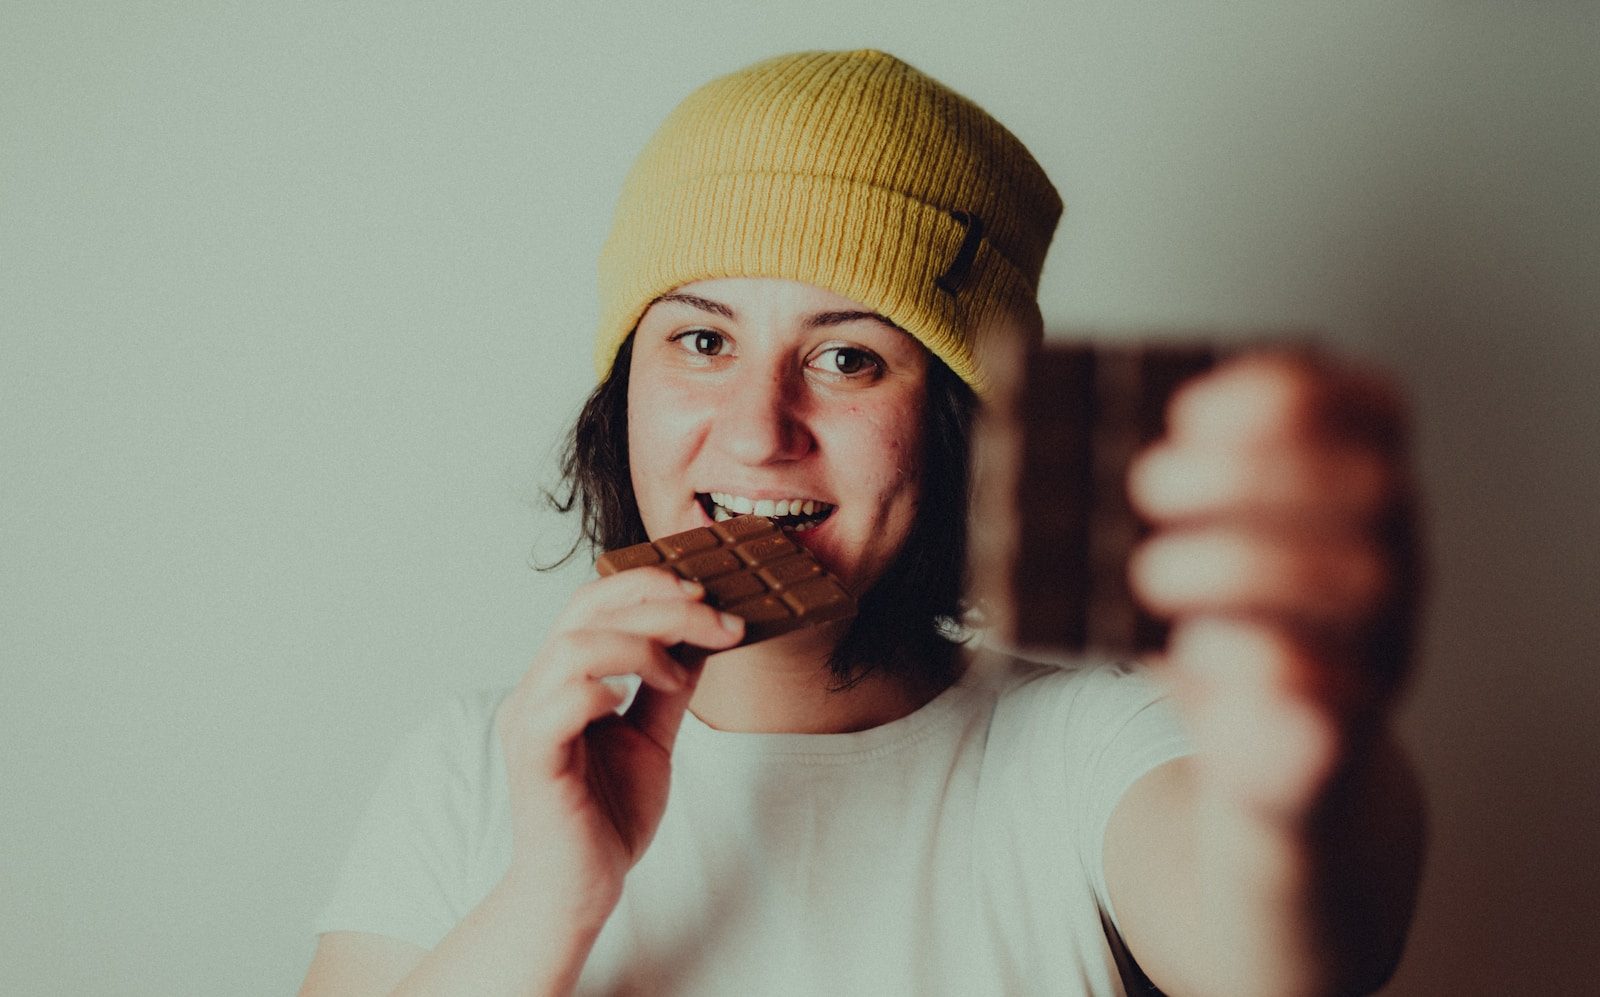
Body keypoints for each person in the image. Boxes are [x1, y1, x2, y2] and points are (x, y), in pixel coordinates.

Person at [299, 50, 1425, 996]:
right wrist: (551, 894)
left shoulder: (1084, 748)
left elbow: (1290, 954)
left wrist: (1299, 779)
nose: (758, 431)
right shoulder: (473, 770)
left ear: (955, 424)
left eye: (847, 358)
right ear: (623, 387)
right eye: (702, 340)